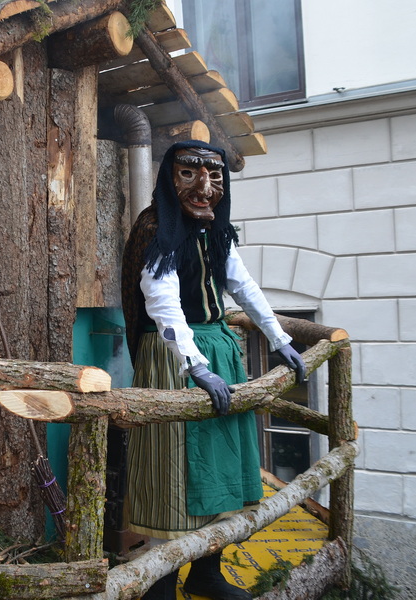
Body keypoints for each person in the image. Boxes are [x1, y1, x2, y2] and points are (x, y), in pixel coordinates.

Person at [121, 140, 306, 600]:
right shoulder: (156, 227)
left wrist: (280, 338)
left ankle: (207, 572)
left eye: (215, 175)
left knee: (219, 461)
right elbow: (161, 302)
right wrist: (196, 366)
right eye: (190, 173)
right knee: (174, 469)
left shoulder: (215, 229)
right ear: (170, 178)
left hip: (219, 350)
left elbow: (241, 285)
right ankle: (160, 582)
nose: (205, 187)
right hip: (173, 358)